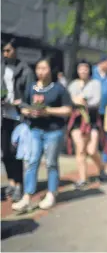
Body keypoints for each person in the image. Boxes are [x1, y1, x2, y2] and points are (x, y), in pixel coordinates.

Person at [12, 57, 72, 211]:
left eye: (44, 68)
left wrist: (48, 111)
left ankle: (52, 193)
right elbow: (24, 105)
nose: (41, 72)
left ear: (50, 70)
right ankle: (27, 197)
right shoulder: (31, 87)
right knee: (32, 162)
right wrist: (28, 111)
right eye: (38, 68)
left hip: (54, 131)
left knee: (51, 163)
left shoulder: (59, 89)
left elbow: (67, 109)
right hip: (35, 130)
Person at [1, 38, 35, 202]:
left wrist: (21, 103)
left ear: (15, 50)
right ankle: (12, 183)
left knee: (16, 153)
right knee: (5, 153)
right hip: (4, 116)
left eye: (8, 50)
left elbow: (31, 96)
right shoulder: (1, 68)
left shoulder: (25, 70)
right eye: (3, 51)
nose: (5, 54)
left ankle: (19, 185)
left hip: (19, 117)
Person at [66, 60, 107, 189]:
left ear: (89, 70)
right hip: (77, 121)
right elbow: (68, 99)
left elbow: (96, 101)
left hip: (92, 120)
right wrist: (78, 101)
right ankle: (83, 178)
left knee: (91, 149)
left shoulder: (95, 84)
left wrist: (80, 100)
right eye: (80, 68)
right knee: (81, 149)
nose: (83, 71)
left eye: (85, 68)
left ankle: (101, 167)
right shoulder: (73, 85)